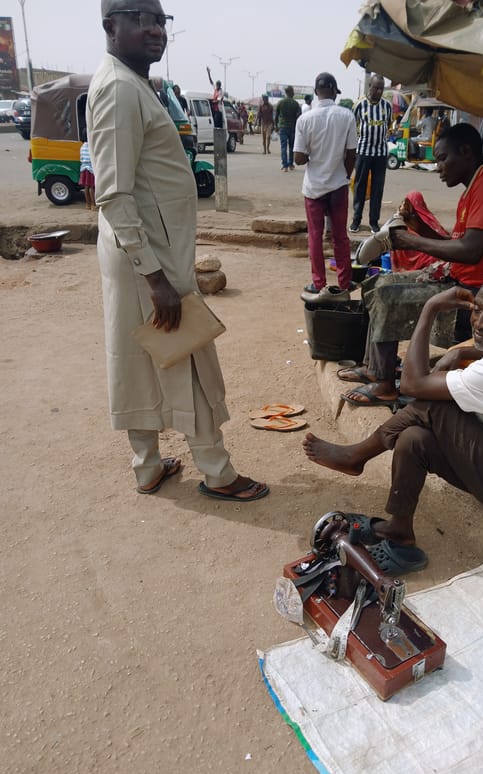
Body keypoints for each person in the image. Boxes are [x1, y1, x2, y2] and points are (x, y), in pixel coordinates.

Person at [87, 0, 268, 502]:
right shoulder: (121, 89)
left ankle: (147, 467)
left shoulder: (132, 83)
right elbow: (116, 193)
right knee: (187, 356)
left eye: (159, 20)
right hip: (149, 257)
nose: (154, 30)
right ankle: (217, 471)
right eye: (140, 19)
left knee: (138, 357)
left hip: (142, 250)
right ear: (111, 25)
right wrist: (156, 278)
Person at [303, 272, 483, 576]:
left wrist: (430, 308)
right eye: (477, 310)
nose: (480, 322)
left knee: (435, 405)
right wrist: (460, 352)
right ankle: (399, 530)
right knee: (414, 439)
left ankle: (358, 455)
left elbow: (412, 384)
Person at [341, 123, 483, 407]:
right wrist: (418, 230)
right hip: (462, 279)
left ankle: (385, 383)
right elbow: (459, 243)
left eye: (442, 158)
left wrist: (409, 241)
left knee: (388, 294)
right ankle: (374, 367)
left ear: (465, 151)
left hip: (473, 291)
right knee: (376, 283)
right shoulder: (475, 187)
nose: (438, 167)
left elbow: (471, 251)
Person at [294, 72, 357, 303]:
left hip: (314, 188)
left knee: (315, 237)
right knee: (340, 237)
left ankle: (318, 283)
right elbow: (352, 154)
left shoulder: (305, 120)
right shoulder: (346, 116)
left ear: (316, 91)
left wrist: (314, 154)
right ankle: (344, 282)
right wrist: (344, 174)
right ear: (333, 90)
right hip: (338, 185)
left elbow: (298, 158)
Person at [350, 75, 393, 233]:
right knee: (360, 186)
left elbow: (388, 124)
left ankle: (374, 221)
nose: (379, 91)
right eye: (376, 88)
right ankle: (356, 220)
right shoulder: (359, 105)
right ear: (369, 86)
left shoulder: (386, 106)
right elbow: (352, 126)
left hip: (381, 154)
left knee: (377, 188)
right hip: (363, 152)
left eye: (381, 88)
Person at [274, 85, 301, 173]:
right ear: (290, 92)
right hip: (292, 128)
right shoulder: (295, 103)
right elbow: (299, 116)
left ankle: (284, 165)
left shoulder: (280, 102)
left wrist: (276, 126)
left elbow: (276, 115)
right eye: (293, 91)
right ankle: (290, 164)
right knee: (292, 147)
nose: (293, 93)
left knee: (283, 147)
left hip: (283, 127)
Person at [79, 129, 97, 211]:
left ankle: (88, 204)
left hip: (83, 168)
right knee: (92, 187)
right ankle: (94, 204)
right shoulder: (92, 146)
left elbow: (81, 158)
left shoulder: (82, 146)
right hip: (90, 169)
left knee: (86, 187)